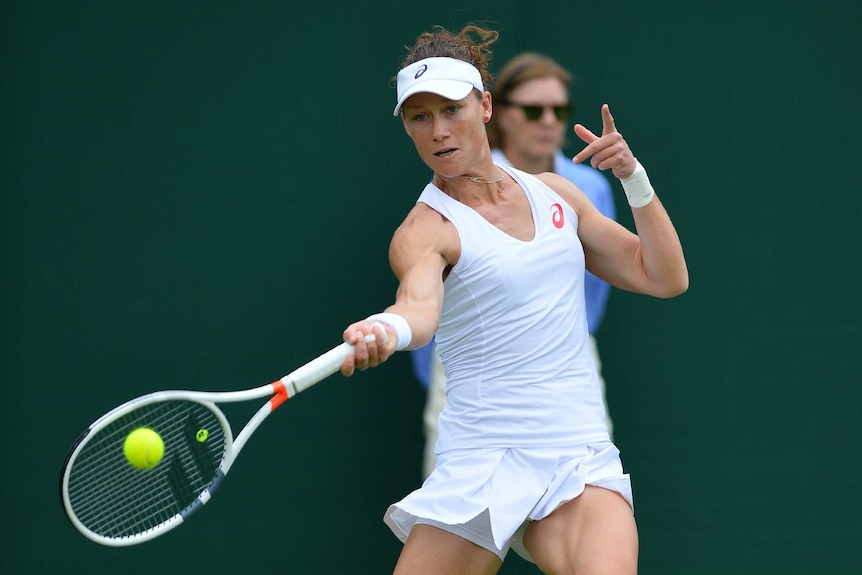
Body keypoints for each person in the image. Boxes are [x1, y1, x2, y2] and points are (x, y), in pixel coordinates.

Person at [339, 23, 688, 575]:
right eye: (419, 117)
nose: (437, 131)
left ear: (485, 107)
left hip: (576, 456)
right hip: (480, 463)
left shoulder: (560, 194)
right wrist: (388, 329)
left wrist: (633, 177)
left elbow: (663, 276)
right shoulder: (424, 231)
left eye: (451, 109)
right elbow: (419, 310)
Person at [412, 51, 618, 480]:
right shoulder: (451, 190)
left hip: (565, 368)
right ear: (497, 112)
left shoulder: (589, 187)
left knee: (585, 509)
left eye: (558, 110)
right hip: (474, 376)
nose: (548, 121)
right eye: (532, 110)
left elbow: (598, 285)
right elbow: (423, 298)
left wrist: (558, 345)